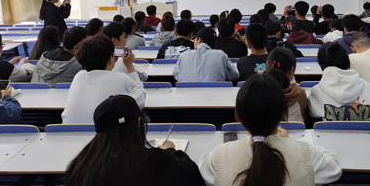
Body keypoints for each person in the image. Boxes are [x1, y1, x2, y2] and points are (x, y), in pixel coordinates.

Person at [198, 74, 342, 186]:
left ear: (239, 116)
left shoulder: (219, 156)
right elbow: (334, 167)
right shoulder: (306, 154)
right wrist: (289, 143)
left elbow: (202, 168)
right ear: (282, 115)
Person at [66, 95, 204, 186]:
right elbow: (193, 177)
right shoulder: (155, 162)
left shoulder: (79, 166)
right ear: (139, 122)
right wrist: (172, 151)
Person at [61, 34, 146, 124]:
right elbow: (140, 101)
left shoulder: (78, 77)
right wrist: (129, 66)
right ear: (110, 59)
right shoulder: (121, 79)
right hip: (102, 132)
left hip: (67, 130)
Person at [308, 43, 370, 121]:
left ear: (321, 67)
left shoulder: (316, 92)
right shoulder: (368, 87)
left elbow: (311, 113)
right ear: (349, 62)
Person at [173, 27, 239, 82]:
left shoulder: (183, 56)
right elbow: (234, 76)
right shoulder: (221, 56)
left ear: (199, 40)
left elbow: (177, 76)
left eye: (195, 40)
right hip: (215, 93)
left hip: (188, 93)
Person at [265, 47, 308, 121]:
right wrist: (295, 87)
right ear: (291, 70)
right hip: (294, 128)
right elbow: (304, 116)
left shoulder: (256, 91)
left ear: (267, 65)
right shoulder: (300, 94)